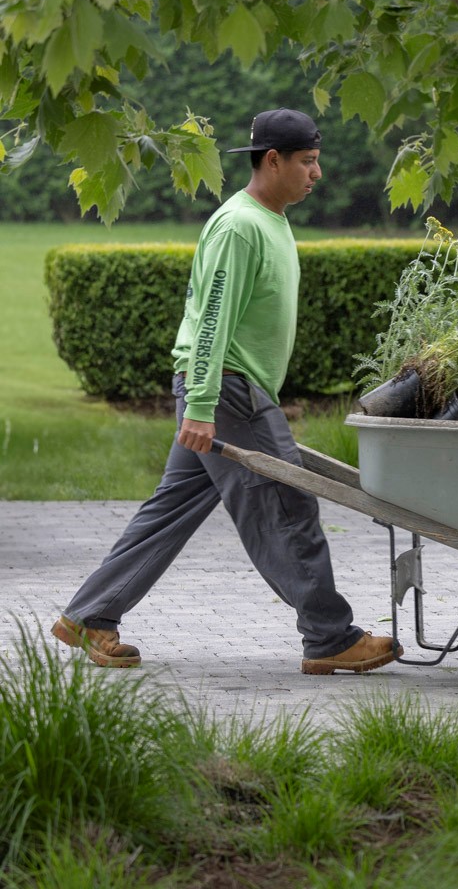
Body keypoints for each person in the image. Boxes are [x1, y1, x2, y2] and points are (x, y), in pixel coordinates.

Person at [51, 108, 401, 675]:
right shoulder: (240, 225)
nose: (318, 174)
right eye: (308, 162)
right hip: (228, 389)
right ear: (273, 161)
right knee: (289, 504)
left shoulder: (270, 220)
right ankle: (330, 636)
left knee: (172, 508)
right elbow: (214, 320)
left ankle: (91, 615)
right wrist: (204, 405)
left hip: (226, 387)